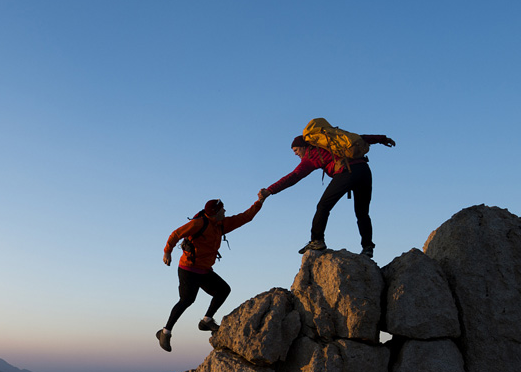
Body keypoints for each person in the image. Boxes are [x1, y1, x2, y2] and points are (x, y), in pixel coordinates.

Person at [258, 133, 395, 258]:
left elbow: (293, 177)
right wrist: (383, 139)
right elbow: (361, 138)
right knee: (362, 212)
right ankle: (368, 247)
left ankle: (317, 240)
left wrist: (270, 190)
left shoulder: (311, 156)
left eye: (296, 150)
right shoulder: (331, 144)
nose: (295, 154)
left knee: (323, 206)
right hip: (364, 170)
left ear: (304, 147)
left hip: (347, 172)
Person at [156, 196, 264, 352]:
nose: (225, 211)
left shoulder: (221, 225)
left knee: (223, 290)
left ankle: (206, 321)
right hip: (188, 269)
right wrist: (167, 252)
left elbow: (245, 217)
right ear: (216, 212)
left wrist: (260, 202)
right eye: (223, 209)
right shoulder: (199, 224)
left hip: (204, 270)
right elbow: (176, 234)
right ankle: (165, 333)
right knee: (187, 300)